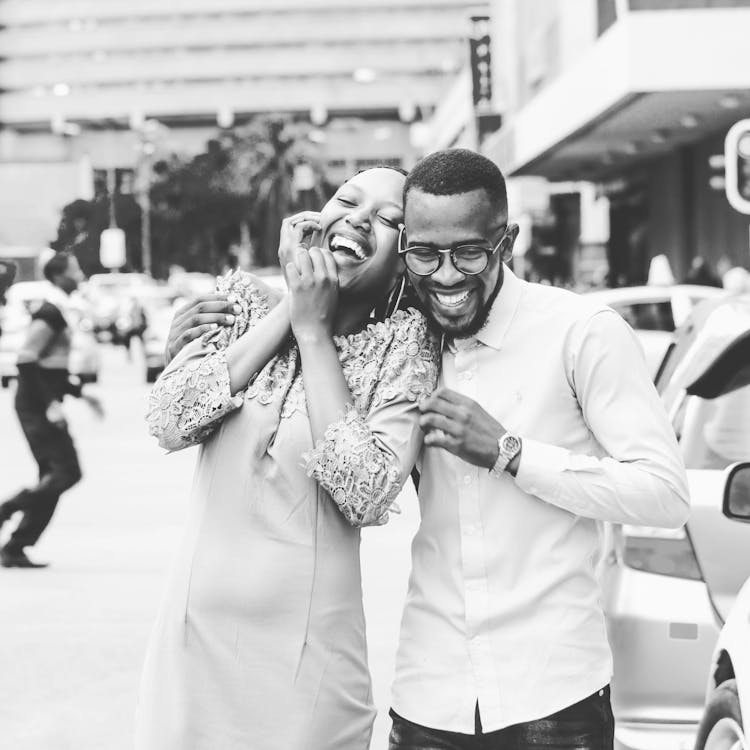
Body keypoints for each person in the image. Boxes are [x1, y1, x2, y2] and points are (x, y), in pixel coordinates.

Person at [166, 150, 690, 750]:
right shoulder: (398, 351)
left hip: (552, 694)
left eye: (469, 252)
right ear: (405, 251)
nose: (445, 276)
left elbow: (665, 494)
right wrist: (205, 341)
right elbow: (291, 414)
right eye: (425, 254)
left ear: (507, 241)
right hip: (427, 697)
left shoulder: (580, 333)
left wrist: (512, 453)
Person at [137, 166, 439, 750]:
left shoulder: (406, 347)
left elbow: (363, 490)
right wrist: (291, 309)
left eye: (387, 220)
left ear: (404, 261)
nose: (358, 218)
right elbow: (168, 421)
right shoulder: (242, 303)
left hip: (310, 667)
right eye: (347, 200)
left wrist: (316, 332)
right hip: (192, 645)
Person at [0, 252, 102, 568]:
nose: (81, 273)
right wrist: (51, 405)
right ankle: (5, 512)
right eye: (75, 269)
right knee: (67, 472)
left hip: (39, 403)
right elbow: (27, 359)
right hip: (35, 407)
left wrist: (78, 392)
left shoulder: (59, 310)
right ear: (59, 276)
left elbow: (49, 367)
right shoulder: (50, 312)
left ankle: (16, 548)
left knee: (52, 478)